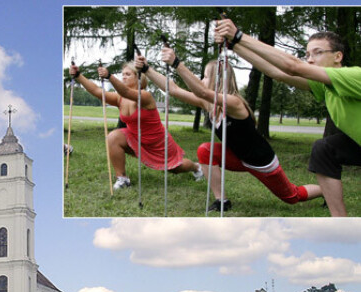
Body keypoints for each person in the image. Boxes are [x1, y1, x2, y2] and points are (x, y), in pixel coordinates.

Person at [135, 48, 322, 212]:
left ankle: (324, 191)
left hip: (261, 162)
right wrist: (147, 69)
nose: (201, 79)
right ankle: (221, 200)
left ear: (218, 80)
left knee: (292, 196)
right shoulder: (208, 104)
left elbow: (201, 91)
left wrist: (177, 63)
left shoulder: (233, 103)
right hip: (238, 157)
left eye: (206, 76)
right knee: (205, 150)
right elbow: (174, 90)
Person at [215, 19, 361, 216]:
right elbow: (277, 72)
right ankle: (340, 221)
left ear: (338, 56)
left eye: (317, 52)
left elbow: (293, 66)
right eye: (307, 54)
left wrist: (239, 36)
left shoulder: (353, 76)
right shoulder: (325, 86)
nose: (309, 59)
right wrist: (234, 46)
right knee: (324, 149)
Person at [69, 61, 203, 190]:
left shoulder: (145, 96)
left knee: (175, 169)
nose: (124, 77)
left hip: (158, 143)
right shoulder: (119, 98)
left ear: (139, 78)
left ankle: (197, 167)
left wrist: (109, 76)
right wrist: (78, 76)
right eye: (123, 74)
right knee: (113, 137)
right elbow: (98, 92)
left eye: (128, 74)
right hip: (136, 139)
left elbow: (126, 92)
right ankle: (122, 178)